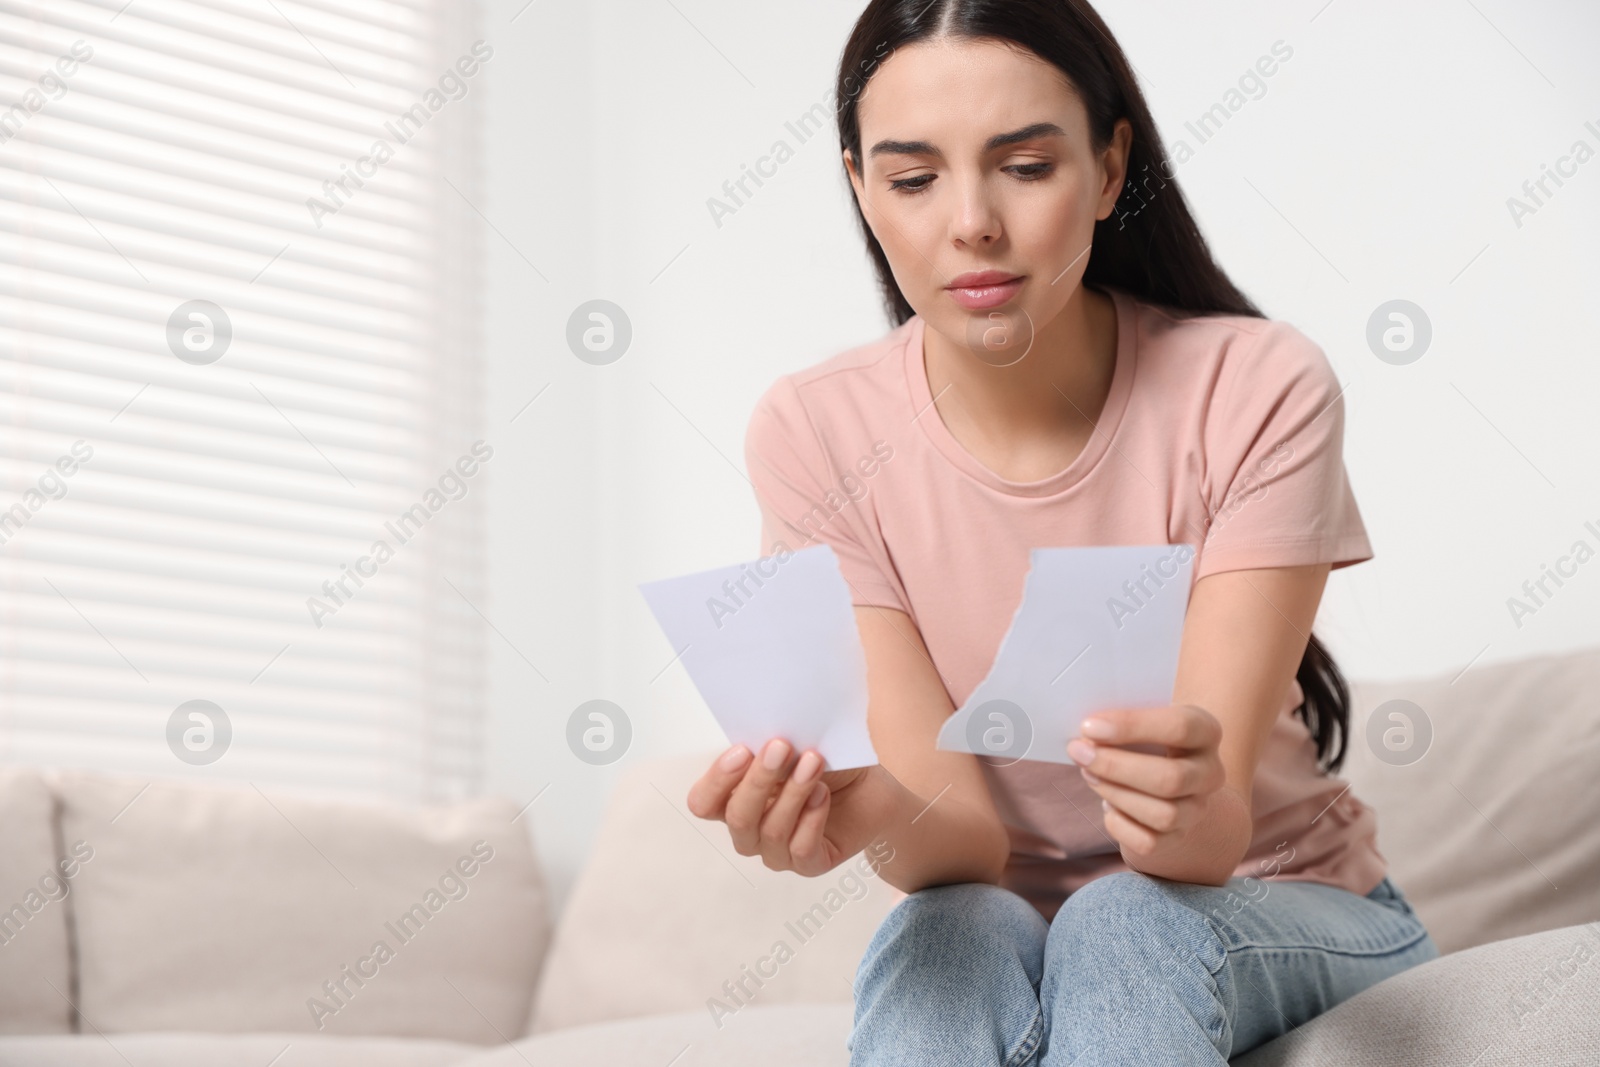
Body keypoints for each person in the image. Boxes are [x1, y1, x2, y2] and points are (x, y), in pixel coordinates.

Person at [686, 1, 1438, 1062]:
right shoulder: (815, 430)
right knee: (935, 936)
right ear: (861, 188)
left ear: (1109, 166)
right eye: (912, 180)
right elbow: (963, 849)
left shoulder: (1257, 387)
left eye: (1026, 166)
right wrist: (865, 804)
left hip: (1274, 898)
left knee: (1121, 918)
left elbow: (1209, 835)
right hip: (999, 914)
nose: (971, 224)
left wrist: (1179, 791)